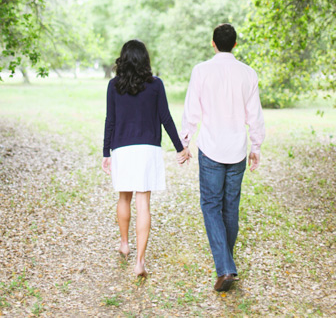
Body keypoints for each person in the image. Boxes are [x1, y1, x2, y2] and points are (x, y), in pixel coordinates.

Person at [180, 23, 265, 292]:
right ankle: (226, 263)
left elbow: (192, 109)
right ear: (235, 44)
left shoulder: (201, 71)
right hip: (237, 148)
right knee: (230, 206)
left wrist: (184, 142)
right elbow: (255, 114)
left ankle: (225, 267)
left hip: (212, 147)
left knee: (210, 205)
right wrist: (256, 147)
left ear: (213, 43)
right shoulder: (248, 73)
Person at [102, 40, 187, 278]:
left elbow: (110, 120)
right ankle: (140, 262)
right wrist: (180, 148)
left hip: (122, 149)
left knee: (124, 198)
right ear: (145, 60)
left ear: (123, 59)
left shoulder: (114, 85)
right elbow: (166, 118)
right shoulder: (156, 85)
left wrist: (106, 152)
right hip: (148, 149)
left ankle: (124, 244)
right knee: (143, 204)